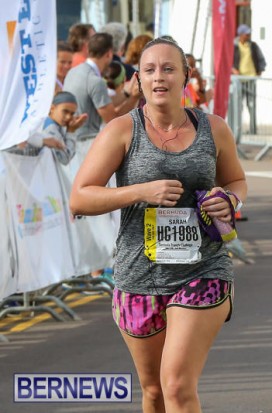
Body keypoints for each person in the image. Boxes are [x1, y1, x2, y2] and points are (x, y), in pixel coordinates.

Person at [69, 37, 247, 412]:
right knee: (154, 391)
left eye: (168, 68)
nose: (159, 77)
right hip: (138, 274)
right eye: (149, 70)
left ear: (186, 75)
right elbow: (80, 197)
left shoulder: (213, 128)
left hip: (203, 269)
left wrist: (230, 200)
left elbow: (236, 180)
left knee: (177, 385)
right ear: (138, 79)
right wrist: (140, 191)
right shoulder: (121, 130)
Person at [63, 32, 140, 142]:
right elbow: (113, 121)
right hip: (86, 142)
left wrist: (127, 93)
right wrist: (134, 98)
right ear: (109, 54)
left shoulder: (73, 72)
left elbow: (101, 100)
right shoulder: (95, 81)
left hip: (70, 140)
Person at [6, 92, 86, 163]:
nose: (68, 117)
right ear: (52, 108)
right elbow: (64, 158)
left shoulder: (56, 124)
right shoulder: (50, 127)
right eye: (65, 111)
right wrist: (71, 131)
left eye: (72, 114)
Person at [232, 24, 266, 134]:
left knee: (251, 105)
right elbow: (228, 60)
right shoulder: (234, 46)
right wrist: (233, 69)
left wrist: (260, 70)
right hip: (238, 81)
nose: (248, 36)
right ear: (241, 34)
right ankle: (237, 129)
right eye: (246, 34)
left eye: (249, 34)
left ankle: (252, 129)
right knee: (238, 105)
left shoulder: (253, 46)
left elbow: (261, 59)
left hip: (251, 80)